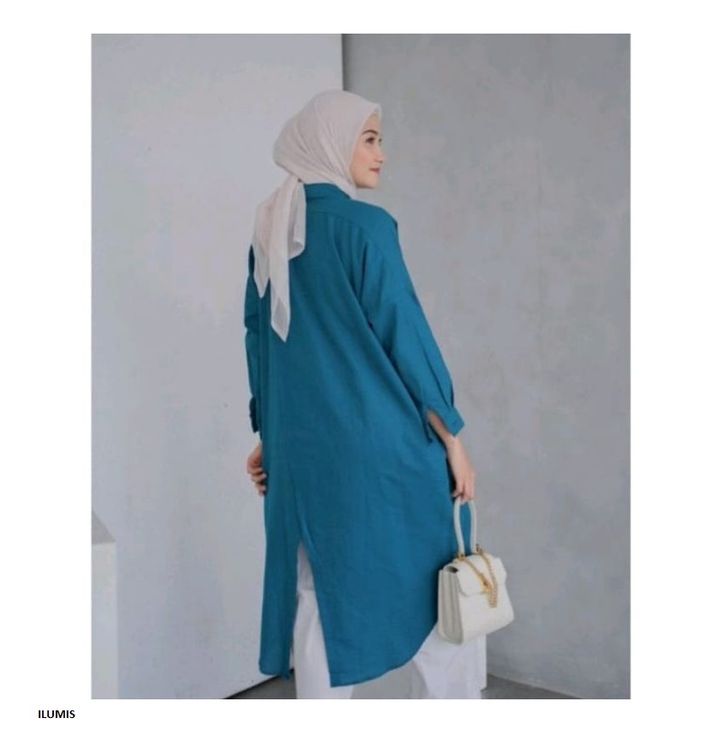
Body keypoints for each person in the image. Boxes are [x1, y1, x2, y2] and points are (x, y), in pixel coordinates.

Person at [243, 89, 483, 698]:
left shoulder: (269, 232)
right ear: (330, 143)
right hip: (384, 448)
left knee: (316, 594)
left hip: (303, 455)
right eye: (369, 139)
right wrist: (451, 437)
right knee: (434, 587)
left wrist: (269, 434)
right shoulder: (366, 227)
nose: (381, 153)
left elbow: (260, 342)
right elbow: (406, 336)